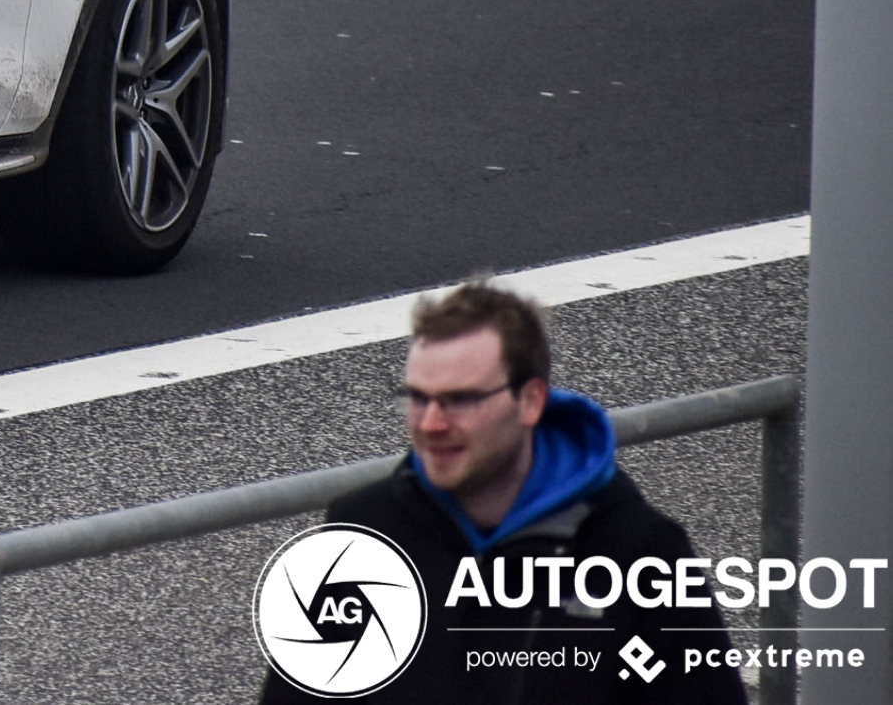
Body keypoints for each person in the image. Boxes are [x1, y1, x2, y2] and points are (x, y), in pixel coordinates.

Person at [259, 280, 746, 702]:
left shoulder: (637, 552)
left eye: (461, 399)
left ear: (530, 400)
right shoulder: (362, 535)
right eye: (418, 397)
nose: (431, 423)